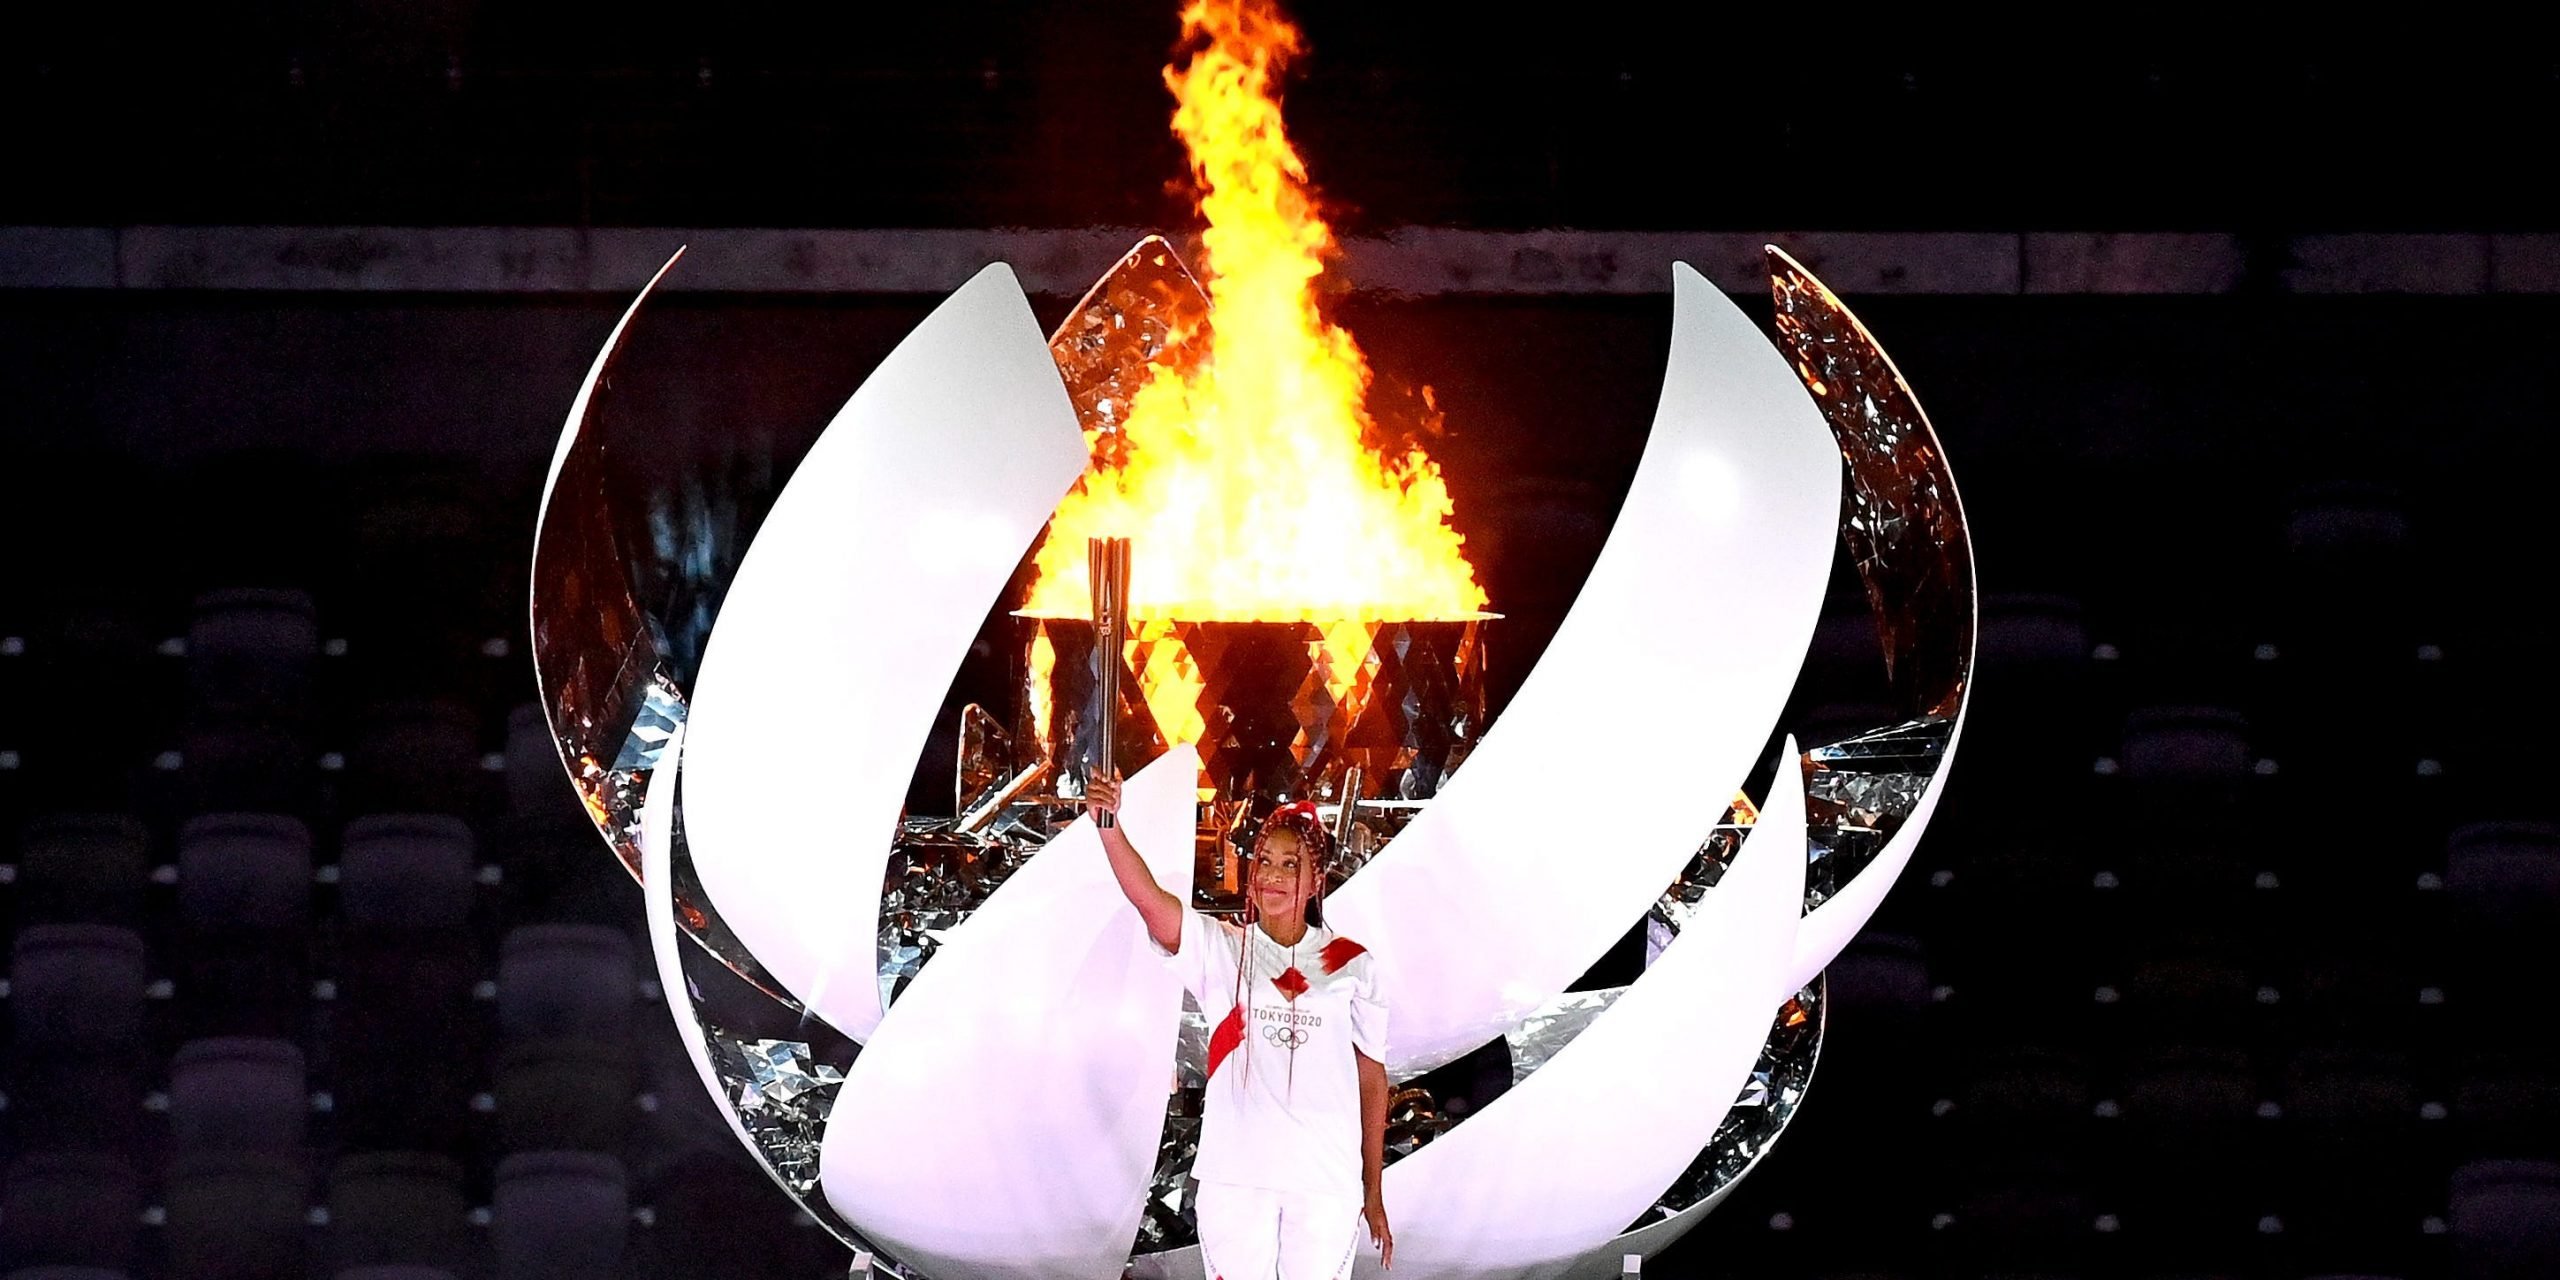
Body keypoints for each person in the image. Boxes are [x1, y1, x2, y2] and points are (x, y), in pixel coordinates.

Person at [1088, 771, 1392, 1278]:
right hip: (1237, 1178)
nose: (1272, 875)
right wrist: (1109, 827)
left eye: (1289, 864)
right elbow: (1148, 900)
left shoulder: (1351, 962)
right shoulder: (1223, 947)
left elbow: (1371, 1077)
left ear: (1316, 879)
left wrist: (1373, 1190)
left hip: (1324, 1182)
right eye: (1265, 861)